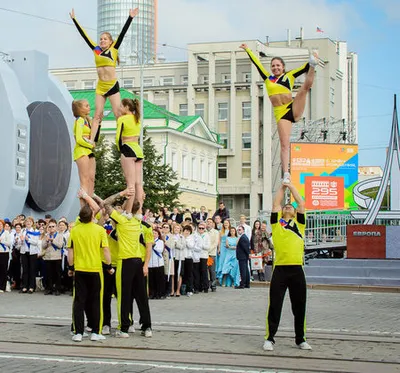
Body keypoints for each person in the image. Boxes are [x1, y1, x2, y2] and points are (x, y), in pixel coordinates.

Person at [240, 43, 318, 184]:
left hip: (292, 107)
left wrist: (311, 62)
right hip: (281, 114)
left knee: (304, 89)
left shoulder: (289, 76)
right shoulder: (267, 78)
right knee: (284, 144)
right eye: (273, 66)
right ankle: (286, 173)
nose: (275, 68)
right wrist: (247, 50)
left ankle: (314, 64)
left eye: (278, 65)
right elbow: (256, 63)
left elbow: (303, 68)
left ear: (283, 67)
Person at [69, 8, 139, 142]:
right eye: (101, 39)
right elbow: (85, 37)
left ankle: (124, 139)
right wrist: (74, 20)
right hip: (101, 86)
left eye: (105, 39)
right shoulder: (96, 51)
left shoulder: (114, 50)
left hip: (112, 86)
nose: (102, 41)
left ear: (110, 41)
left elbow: (123, 34)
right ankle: (92, 140)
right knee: (97, 115)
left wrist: (130, 17)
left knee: (118, 114)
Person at [263, 182, 312, 351]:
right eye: (287, 206)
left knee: (299, 305)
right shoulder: (277, 224)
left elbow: (302, 203)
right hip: (281, 270)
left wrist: (291, 186)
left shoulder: (299, 224)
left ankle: (301, 339)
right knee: (275, 304)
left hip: (297, 269)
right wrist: (283, 186)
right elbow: (276, 204)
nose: (289, 207)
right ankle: (269, 338)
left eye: (291, 206)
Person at [103, 191, 153, 337]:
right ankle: (147, 327)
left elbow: (105, 203)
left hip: (125, 261)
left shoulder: (122, 220)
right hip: (139, 261)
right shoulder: (140, 223)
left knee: (124, 296)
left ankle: (124, 327)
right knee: (142, 296)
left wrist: (123, 193)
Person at [68, 204, 112, 342]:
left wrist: (71, 267)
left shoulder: (75, 230)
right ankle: (95, 331)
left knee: (79, 301)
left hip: (80, 269)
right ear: (92, 216)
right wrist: (109, 265)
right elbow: (105, 250)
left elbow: (70, 251)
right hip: (95, 269)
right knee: (95, 301)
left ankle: (78, 332)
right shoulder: (99, 230)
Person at [116, 98, 144, 212]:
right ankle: (139, 212)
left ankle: (128, 212)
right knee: (138, 184)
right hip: (138, 150)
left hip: (128, 149)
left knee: (130, 185)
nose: (119, 109)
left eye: (121, 106)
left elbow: (118, 137)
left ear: (127, 107)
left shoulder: (122, 119)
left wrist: (120, 149)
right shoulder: (137, 119)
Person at [72, 99, 96, 205]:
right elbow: (79, 139)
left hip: (89, 151)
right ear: (80, 109)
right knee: (84, 179)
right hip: (82, 151)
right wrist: (90, 144)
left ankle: (90, 202)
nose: (89, 107)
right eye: (86, 106)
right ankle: (83, 208)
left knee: (91, 179)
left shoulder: (88, 121)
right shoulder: (79, 120)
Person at [40, 219, 64, 296]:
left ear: (56, 227)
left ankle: (58, 289)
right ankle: (49, 288)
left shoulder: (60, 235)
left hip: (56, 257)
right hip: (48, 257)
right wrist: (47, 241)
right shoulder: (46, 235)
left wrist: (52, 240)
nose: (51, 228)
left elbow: (60, 245)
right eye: (49, 227)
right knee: (48, 274)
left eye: (53, 226)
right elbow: (43, 246)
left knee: (57, 274)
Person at [20, 217, 40, 294]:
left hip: (32, 253)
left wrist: (28, 240)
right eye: (27, 221)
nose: (28, 223)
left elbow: (36, 242)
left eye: (30, 221)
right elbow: (19, 242)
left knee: (32, 269)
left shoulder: (35, 231)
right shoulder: (23, 230)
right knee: (25, 270)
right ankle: (25, 286)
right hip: (24, 252)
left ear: (32, 223)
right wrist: (20, 240)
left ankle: (31, 287)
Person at [206, 218, 219, 292]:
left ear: (213, 224)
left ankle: (213, 285)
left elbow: (215, 243)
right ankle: (206, 285)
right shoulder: (204, 231)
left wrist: (208, 250)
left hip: (211, 254)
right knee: (205, 270)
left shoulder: (215, 232)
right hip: (204, 254)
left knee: (212, 270)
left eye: (210, 222)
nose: (209, 223)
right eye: (207, 222)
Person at [0, 219, 13, 293]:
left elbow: (9, 243)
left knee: (3, 270)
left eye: (1, 225)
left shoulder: (6, 233)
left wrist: (1, 241)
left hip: (4, 253)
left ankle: (2, 286)